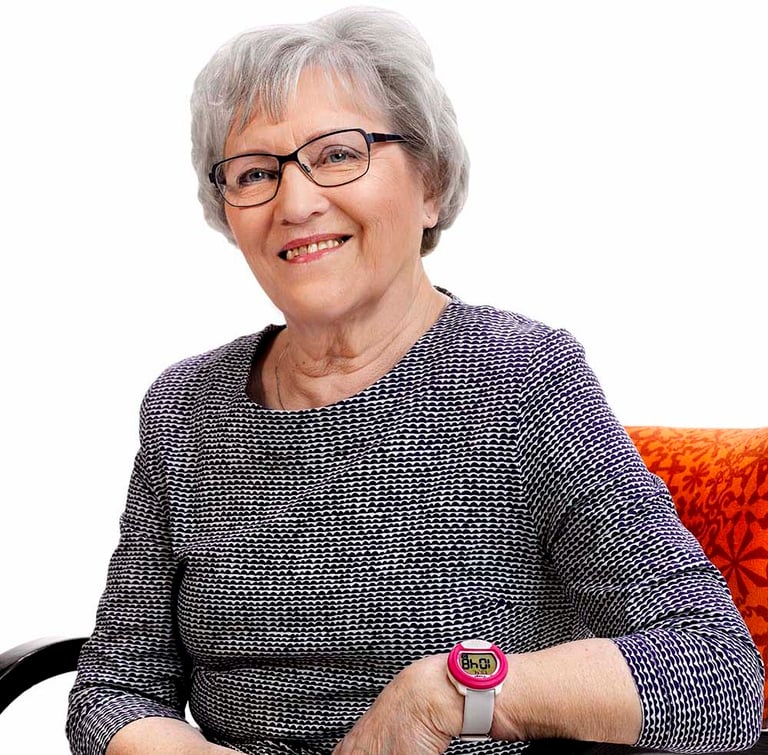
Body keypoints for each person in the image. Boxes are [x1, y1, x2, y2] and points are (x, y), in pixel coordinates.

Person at [66, 7, 763, 755]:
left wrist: (450, 693)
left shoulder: (525, 380)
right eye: (257, 173)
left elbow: (716, 672)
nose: (296, 203)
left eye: (337, 154)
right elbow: (114, 686)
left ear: (429, 182)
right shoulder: (183, 408)